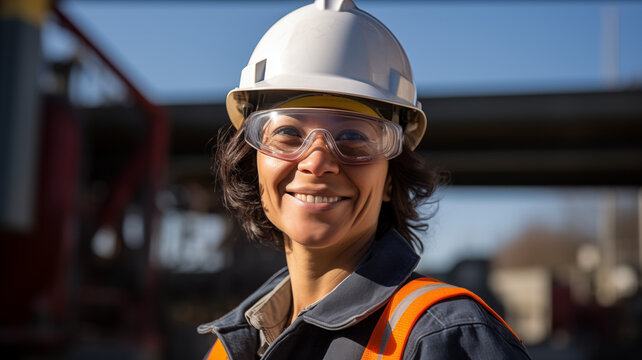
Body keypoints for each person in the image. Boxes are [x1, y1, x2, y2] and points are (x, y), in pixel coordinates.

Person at [199, 0, 531, 359]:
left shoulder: (444, 339)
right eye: (289, 133)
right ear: (255, 162)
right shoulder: (230, 348)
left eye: (354, 138)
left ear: (391, 179)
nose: (317, 161)